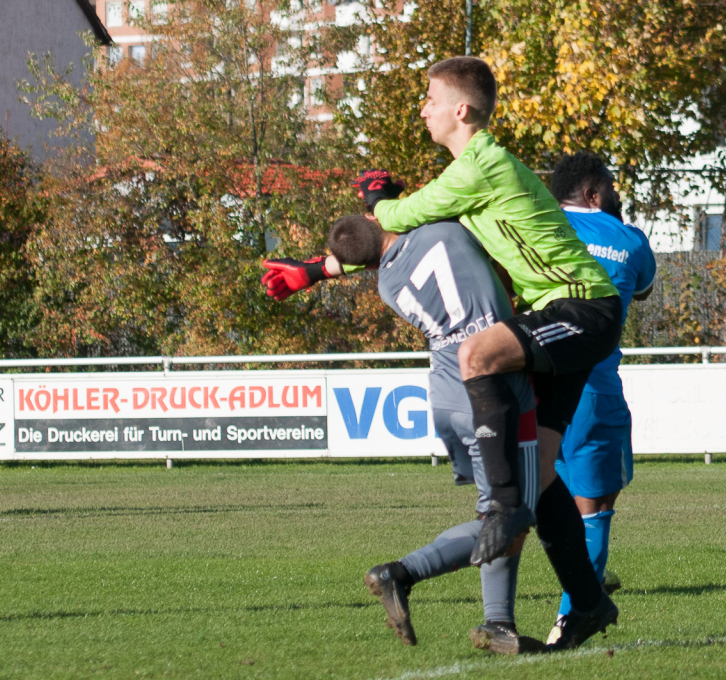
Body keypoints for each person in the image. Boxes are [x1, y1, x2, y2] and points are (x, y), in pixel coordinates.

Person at [350, 56, 621, 649]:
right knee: (541, 481)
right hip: (561, 309)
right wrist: (325, 265)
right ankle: (588, 603)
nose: (422, 108)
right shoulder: (473, 170)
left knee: (476, 354)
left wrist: (376, 200)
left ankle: (499, 507)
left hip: (583, 307)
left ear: (461, 109)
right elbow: (397, 238)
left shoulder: (478, 166)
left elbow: (400, 217)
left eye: (429, 98)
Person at [261, 219, 544, 655]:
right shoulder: (445, 230)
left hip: (446, 394)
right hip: (493, 390)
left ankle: (500, 622)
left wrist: (318, 270)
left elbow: (374, 253)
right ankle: (407, 574)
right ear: (378, 218)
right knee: (511, 513)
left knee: (497, 509)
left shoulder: (388, 285)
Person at [545, 152, 657, 645]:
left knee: (552, 495)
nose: (617, 195)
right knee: (596, 507)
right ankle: (571, 620)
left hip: (537, 381)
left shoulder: (536, 224)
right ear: (593, 194)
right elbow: (644, 290)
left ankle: (589, 579)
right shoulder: (629, 239)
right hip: (593, 387)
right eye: (610, 188)